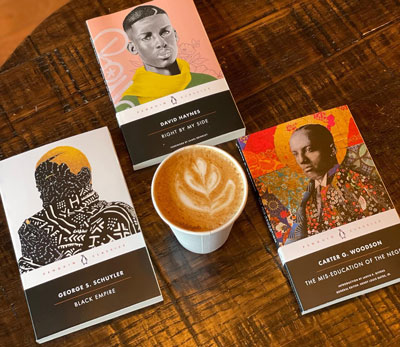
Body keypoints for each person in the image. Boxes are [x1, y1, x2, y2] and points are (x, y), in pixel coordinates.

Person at [17, 146, 139, 273]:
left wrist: (49, 258)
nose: (43, 193)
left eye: (51, 181)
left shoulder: (114, 215)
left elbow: (103, 275)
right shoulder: (38, 225)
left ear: (83, 177)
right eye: (40, 187)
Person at [289, 124, 392, 240]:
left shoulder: (357, 183)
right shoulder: (308, 197)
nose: (302, 160)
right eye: (296, 154)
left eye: (309, 149)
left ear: (332, 150)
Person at [116, 5, 216, 112]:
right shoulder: (129, 106)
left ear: (175, 35)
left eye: (165, 32)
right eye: (147, 37)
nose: (161, 43)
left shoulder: (207, 82)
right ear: (133, 48)